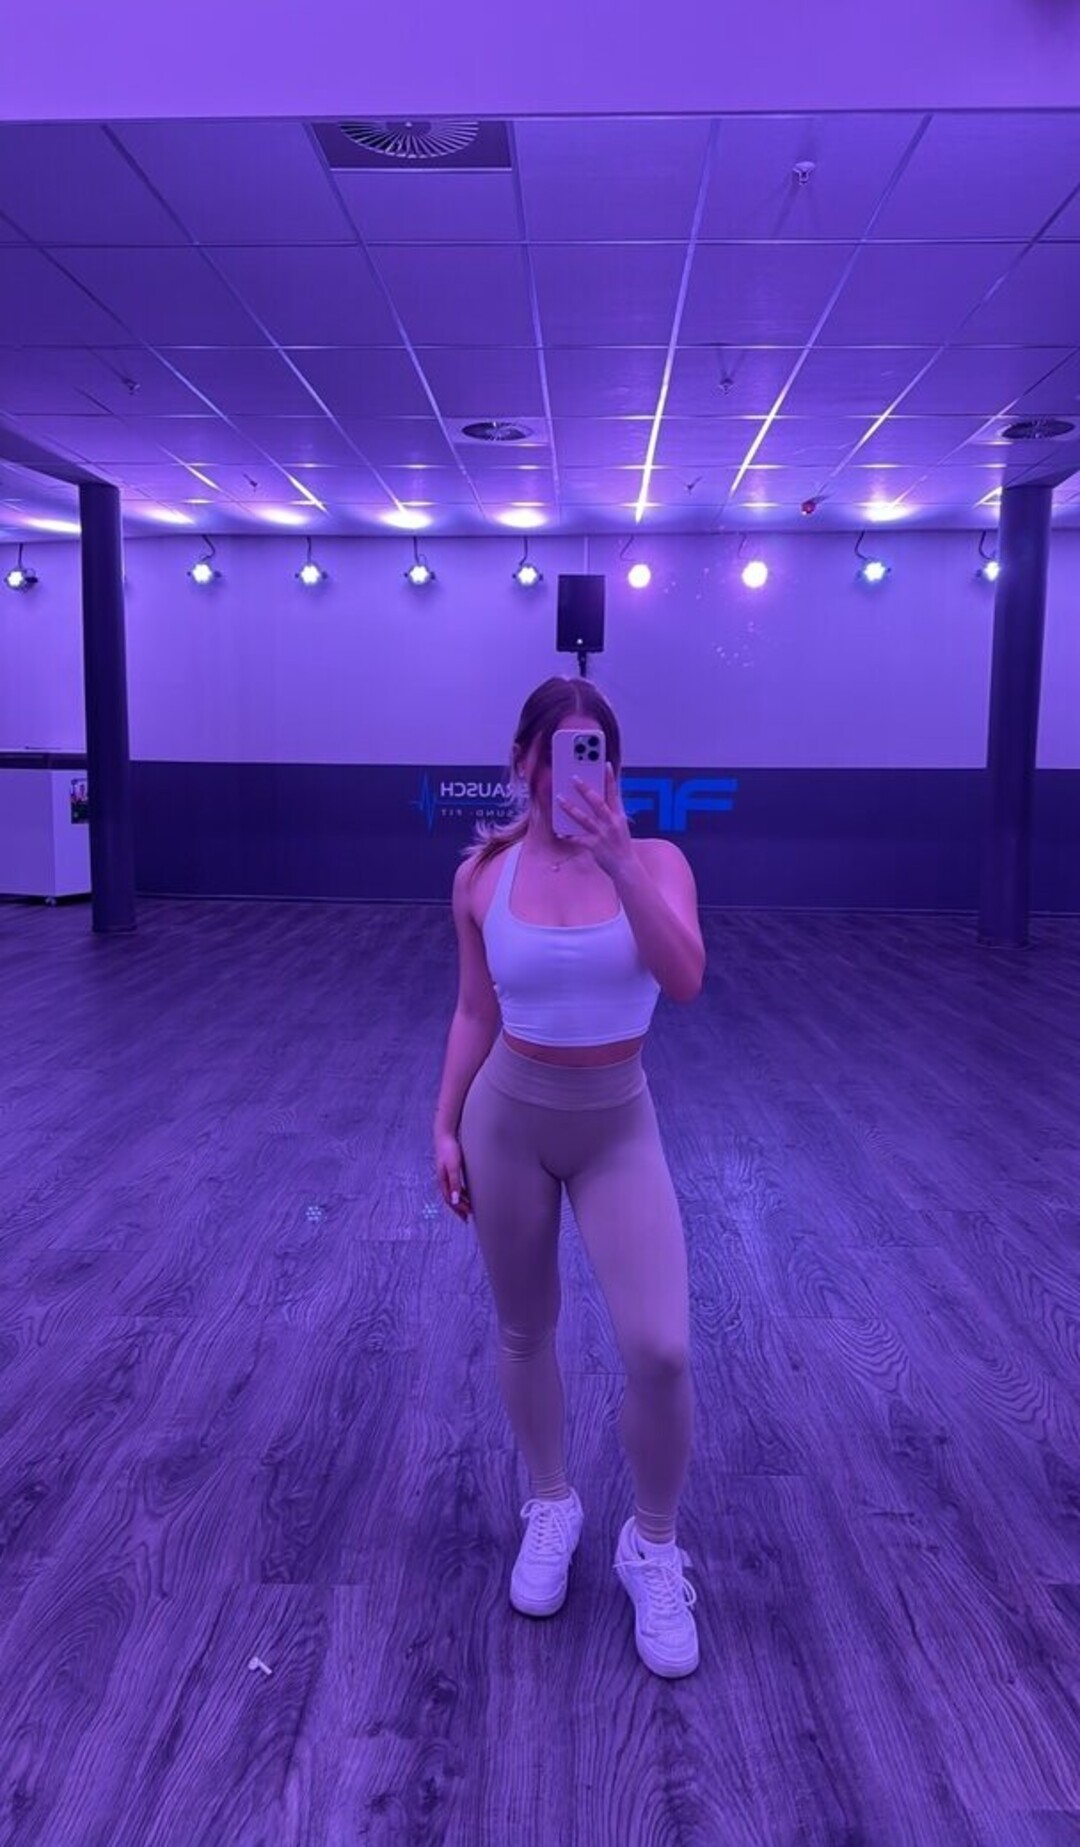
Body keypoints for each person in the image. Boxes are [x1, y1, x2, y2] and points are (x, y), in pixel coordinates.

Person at [433, 675, 706, 1678]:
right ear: (526, 762)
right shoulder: (482, 875)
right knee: (523, 1327)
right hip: (506, 1119)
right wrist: (444, 1123)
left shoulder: (659, 862)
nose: (580, 773)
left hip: (617, 1123)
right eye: (561, 753)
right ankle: (550, 1502)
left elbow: (685, 978)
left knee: (661, 1349)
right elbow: (475, 1009)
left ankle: (653, 1543)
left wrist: (621, 861)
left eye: (599, 753)